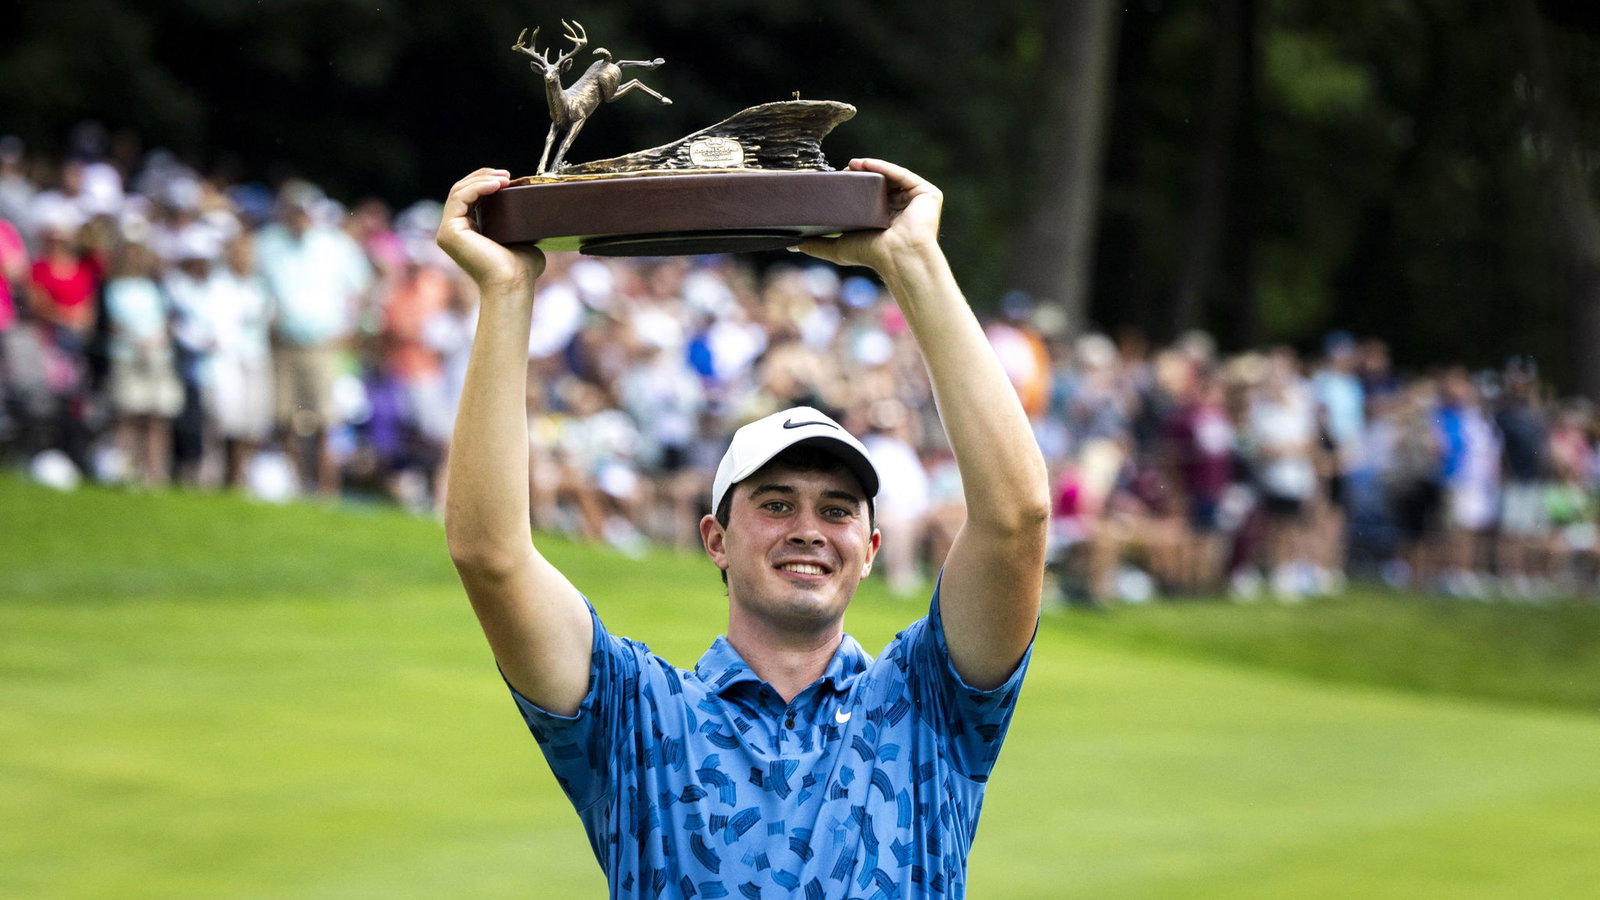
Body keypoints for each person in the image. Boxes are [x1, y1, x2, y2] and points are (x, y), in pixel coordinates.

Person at [436, 160, 1049, 898]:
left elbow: (1015, 520)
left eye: (837, 509)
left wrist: (913, 259)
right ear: (716, 539)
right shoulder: (636, 715)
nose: (809, 530)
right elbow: (490, 554)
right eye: (776, 503)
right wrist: (506, 293)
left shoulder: (927, 703)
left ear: (870, 551)